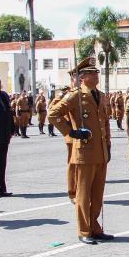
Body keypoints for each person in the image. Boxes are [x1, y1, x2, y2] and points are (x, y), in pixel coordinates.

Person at [49, 57, 113, 244]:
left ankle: (95, 226)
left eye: (96, 72)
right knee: (84, 194)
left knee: (97, 193)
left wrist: (108, 145)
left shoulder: (100, 95)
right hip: (84, 151)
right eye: (92, 73)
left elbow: (105, 122)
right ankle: (84, 230)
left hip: (100, 151)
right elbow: (54, 114)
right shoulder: (75, 95)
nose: (96, 75)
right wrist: (72, 132)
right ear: (83, 77)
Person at [49, 72, 77, 201]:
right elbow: (52, 111)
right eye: (76, 77)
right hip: (72, 135)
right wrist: (67, 130)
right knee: (73, 164)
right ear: (72, 79)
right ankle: (73, 192)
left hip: (85, 135)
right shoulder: (67, 94)